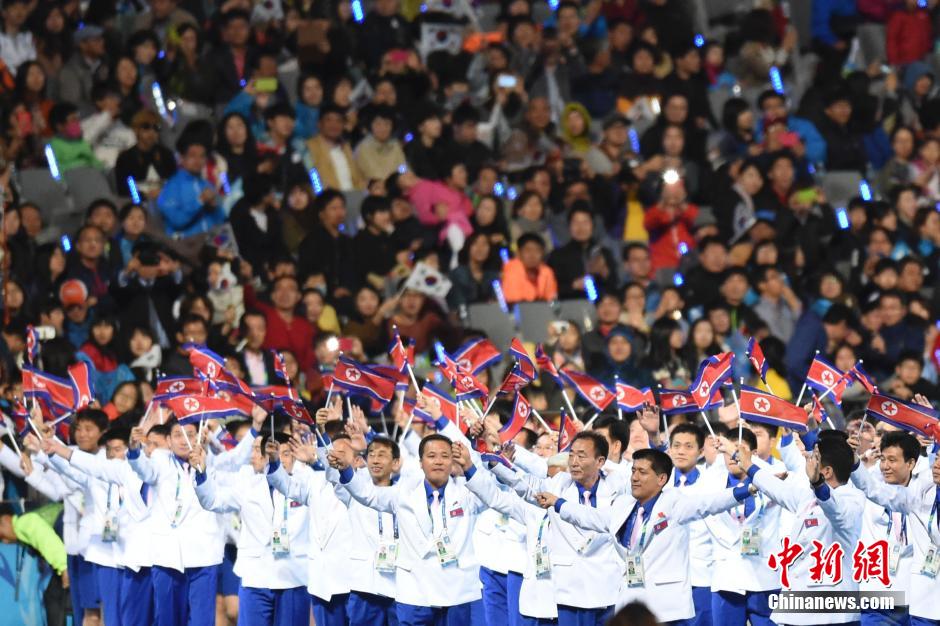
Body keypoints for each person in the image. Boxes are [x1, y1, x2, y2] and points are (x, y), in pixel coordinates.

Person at [536, 448, 753, 623]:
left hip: (667, 610)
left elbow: (709, 504)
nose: (635, 478)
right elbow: (590, 517)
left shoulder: (674, 503)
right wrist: (558, 503)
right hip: (630, 604)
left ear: (661, 479)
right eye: (633, 471)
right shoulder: (623, 504)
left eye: (642, 472)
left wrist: (747, 490)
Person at [328, 402, 486, 626]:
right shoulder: (403, 494)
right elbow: (367, 494)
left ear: (453, 460)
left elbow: (486, 481)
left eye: (444, 455)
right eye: (431, 456)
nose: (438, 461)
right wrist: (345, 469)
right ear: (419, 463)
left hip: (455, 593)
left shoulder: (468, 495)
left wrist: (443, 422)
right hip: (415, 594)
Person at [192, 433, 310, 626]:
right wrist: (201, 471)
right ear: (265, 457)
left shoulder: (306, 484)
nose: (281, 459)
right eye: (275, 453)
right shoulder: (247, 486)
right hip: (256, 577)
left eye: (287, 454)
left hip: (293, 576)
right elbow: (212, 501)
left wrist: (316, 460)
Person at [157, 137, 225, 238]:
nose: (198, 160)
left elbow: (221, 219)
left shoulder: (207, 184)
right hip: (186, 243)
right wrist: (200, 201)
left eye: (202, 156)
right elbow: (176, 221)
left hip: (212, 240)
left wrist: (214, 207)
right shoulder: (171, 187)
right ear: (182, 158)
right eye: (192, 156)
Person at [501, 233, 558, 304]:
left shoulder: (547, 271)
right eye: (527, 250)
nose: (532, 255)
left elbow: (552, 300)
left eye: (537, 251)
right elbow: (513, 299)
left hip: (541, 309)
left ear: (543, 254)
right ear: (518, 253)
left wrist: (551, 305)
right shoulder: (511, 269)